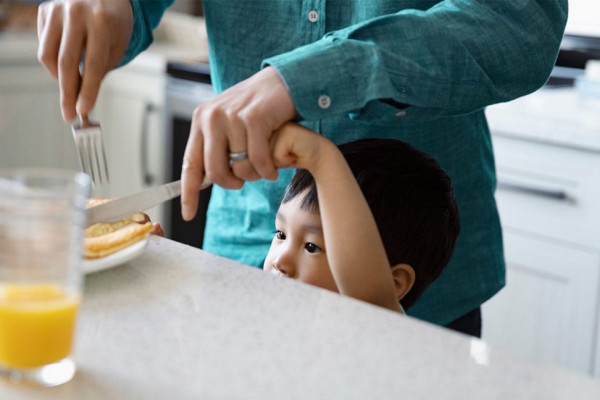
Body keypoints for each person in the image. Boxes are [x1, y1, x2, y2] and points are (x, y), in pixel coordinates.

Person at [37, 0, 568, 336]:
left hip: (435, 294)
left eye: (311, 244)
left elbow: (522, 24)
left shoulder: (390, 291)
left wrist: (307, 77)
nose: (288, 257)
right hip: (237, 261)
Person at [266, 123, 459, 313]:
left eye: (312, 247)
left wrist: (321, 158)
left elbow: (369, 298)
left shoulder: (373, 324)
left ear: (393, 284)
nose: (280, 260)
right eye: (281, 234)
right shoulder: (272, 308)